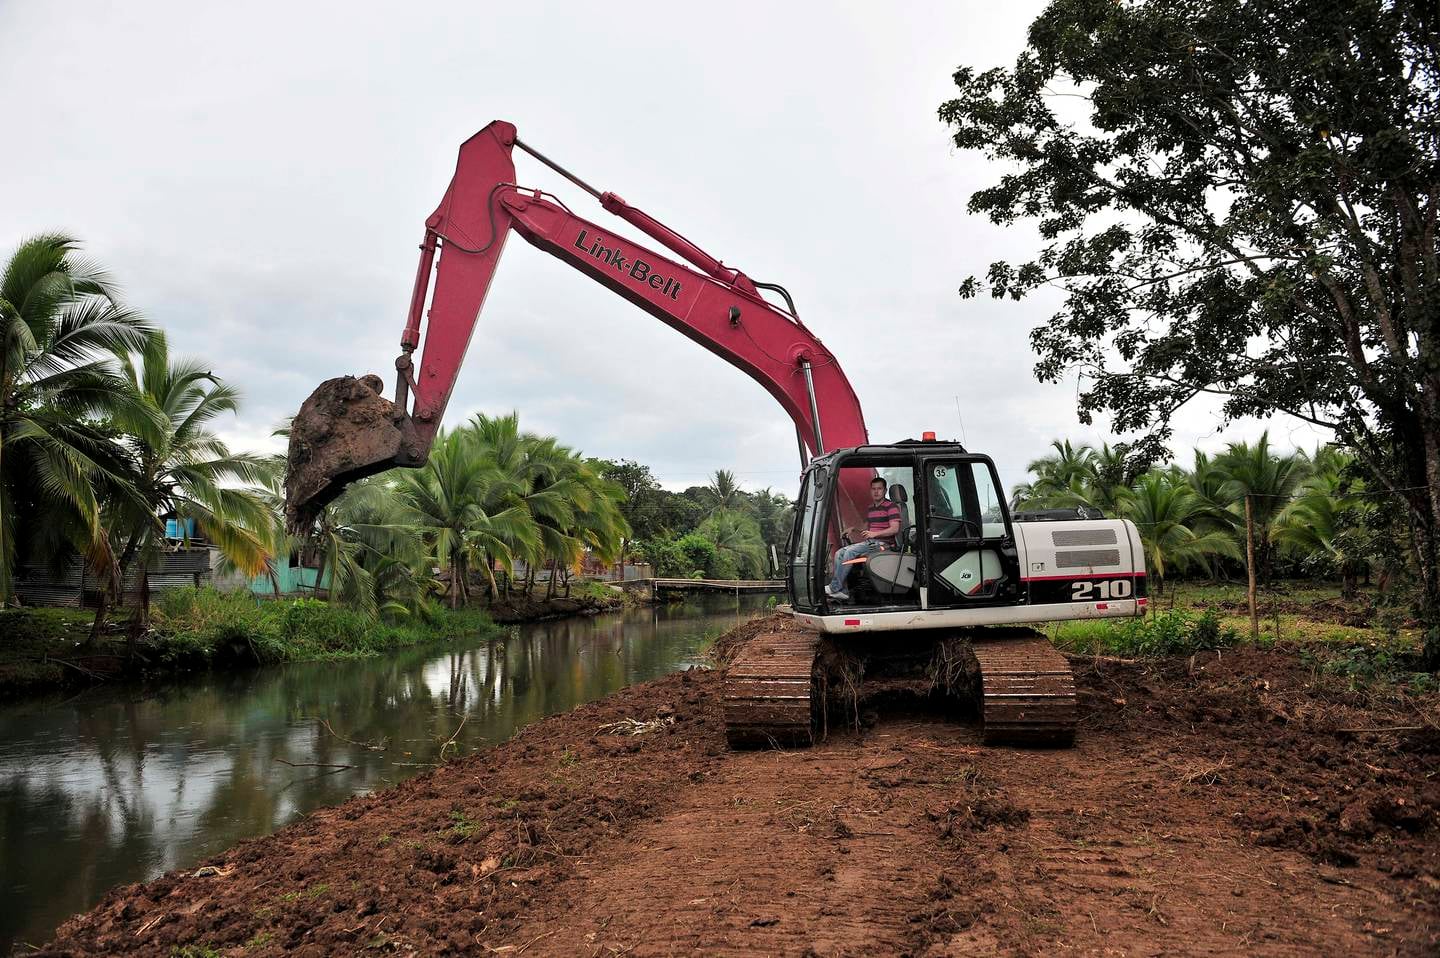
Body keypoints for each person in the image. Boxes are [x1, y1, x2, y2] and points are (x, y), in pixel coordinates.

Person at [825, 477, 901, 602]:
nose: (876, 492)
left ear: (885, 490)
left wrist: (874, 534)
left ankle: (834, 587)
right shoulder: (872, 508)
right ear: (871, 491)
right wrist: (853, 529)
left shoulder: (891, 507)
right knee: (839, 553)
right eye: (874, 489)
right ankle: (842, 591)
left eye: (879, 489)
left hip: (884, 544)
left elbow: (895, 529)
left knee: (850, 552)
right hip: (871, 542)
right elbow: (868, 527)